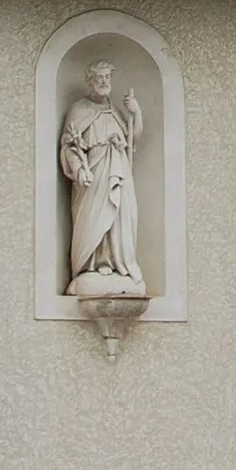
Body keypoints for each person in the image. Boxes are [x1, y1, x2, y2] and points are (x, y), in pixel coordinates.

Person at [60, 61, 147, 295]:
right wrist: (79, 169)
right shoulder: (79, 109)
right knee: (94, 216)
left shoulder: (115, 110)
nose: (104, 82)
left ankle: (117, 263)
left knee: (119, 216)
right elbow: (70, 146)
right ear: (90, 81)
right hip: (95, 173)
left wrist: (136, 112)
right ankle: (92, 264)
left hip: (119, 170)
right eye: (99, 78)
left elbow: (133, 135)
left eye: (107, 77)